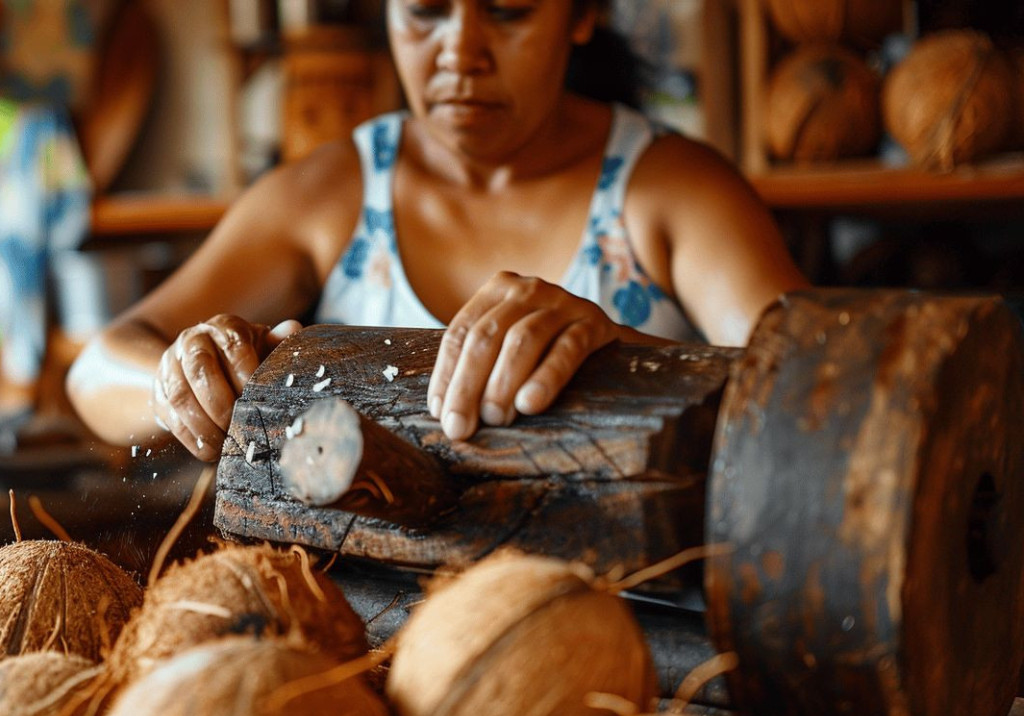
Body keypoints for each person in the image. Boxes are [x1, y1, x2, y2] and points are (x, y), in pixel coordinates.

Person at [66, 0, 807, 461]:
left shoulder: (670, 190)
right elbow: (97, 369)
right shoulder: (334, 196)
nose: (460, 51)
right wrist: (175, 384)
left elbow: (821, 391)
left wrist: (630, 358)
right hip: (373, 642)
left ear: (580, 15)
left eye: (509, 10)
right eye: (424, 10)